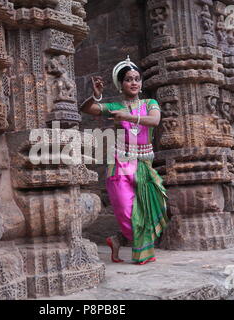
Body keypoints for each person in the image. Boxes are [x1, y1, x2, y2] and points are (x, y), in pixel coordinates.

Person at [79, 56, 169, 265]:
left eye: (137, 78)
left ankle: (118, 240)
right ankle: (134, 246)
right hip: (120, 166)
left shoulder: (149, 103)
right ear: (121, 84)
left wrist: (127, 117)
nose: (134, 82)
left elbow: (155, 121)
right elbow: (87, 109)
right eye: (129, 79)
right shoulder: (114, 105)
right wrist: (96, 96)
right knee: (128, 213)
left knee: (150, 209)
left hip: (144, 165)